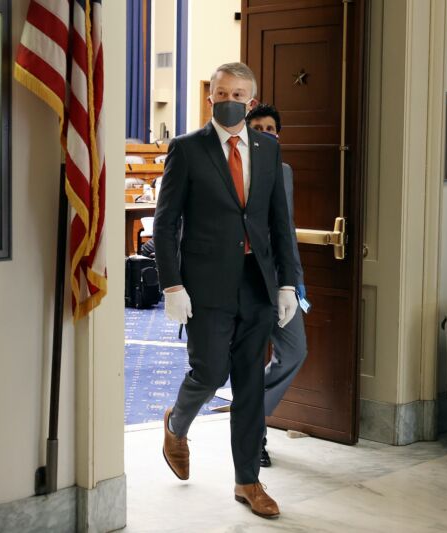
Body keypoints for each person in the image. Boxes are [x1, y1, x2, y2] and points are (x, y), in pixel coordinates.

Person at [153, 62, 298, 520]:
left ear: (251, 101)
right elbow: (165, 221)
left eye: (238, 93)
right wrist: (171, 283)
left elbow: (280, 223)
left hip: (257, 283)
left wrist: (288, 281)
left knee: (250, 385)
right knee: (210, 372)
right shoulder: (187, 149)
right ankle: (177, 423)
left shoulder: (268, 150)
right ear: (210, 97)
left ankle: (248, 482)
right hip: (206, 285)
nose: (229, 99)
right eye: (221, 92)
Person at [246, 103, 309, 468]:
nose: (267, 133)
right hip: (247, 281)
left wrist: (297, 283)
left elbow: (287, 232)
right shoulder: (233, 172)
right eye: (259, 127)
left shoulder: (284, 171)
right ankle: (254, 438)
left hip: (283, 283)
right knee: (250, 361)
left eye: (272, 128)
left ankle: (247, 413)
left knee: (295, 350)